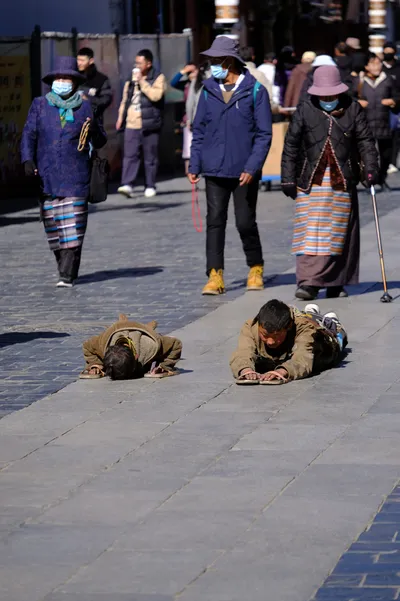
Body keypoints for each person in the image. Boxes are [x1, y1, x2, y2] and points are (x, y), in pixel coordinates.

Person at [281, 65, 379, 301]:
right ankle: (309, 282)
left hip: (341, 180)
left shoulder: (352, 108)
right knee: (310, 233)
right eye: (322, 95)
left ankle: (337, 281)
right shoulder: (305, 108)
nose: (327, 99)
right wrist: (287, 178)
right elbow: (291, 145)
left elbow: (365, 141)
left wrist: (371, 170)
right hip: (310, 180)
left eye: (331, 95)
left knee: (339, 233)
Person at [188, 36, 272, 295]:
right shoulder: (208, 90)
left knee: (245, 221)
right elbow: (198, 129)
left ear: (230, 62)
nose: (213, 66)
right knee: (215, 221)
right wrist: (195, 163)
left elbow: (263, 134)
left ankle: (255, 266)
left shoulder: (255, 91)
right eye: (211, 61)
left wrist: (252, 167)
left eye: (217, 61)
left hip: (244, 170)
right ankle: (215, 275)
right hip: (213, 167)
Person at [21, 56, 107, 288]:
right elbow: (29, 134)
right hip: (47, 176)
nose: (62, 82)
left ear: (74, 82)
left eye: (66, 78)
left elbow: (100, 139)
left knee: (74, 225)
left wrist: (94, 130)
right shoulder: (40, 105)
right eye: (58, 78)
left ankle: (66, 274)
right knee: (54, 226)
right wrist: (28, 159)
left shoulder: (86, 106)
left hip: (76, 175)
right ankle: (65, 265)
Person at [230, 299, 347, 384]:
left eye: (276, 336)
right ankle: (311, 312)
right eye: (265, 335)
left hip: (325, 343)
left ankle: (329, 320)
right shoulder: (251, 326)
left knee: (335, 335)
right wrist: (245, 369)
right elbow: (243, 352)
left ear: (289, 327)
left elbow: (303, 358)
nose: (270, 342)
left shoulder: (305, 329)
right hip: (283, 351)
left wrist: (284, 371)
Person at [117, 49, 167, 199]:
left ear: (148, 63)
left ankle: (150, 185)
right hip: (132, 122)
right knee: (130, 155)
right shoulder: (130, 78)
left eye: (140, 62)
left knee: (150, 156)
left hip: (150, 122)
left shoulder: (158, 77)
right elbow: (125, 99)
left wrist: (142, 81)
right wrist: (121, 117)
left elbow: (156, 95)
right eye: (135, 62)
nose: (136, 65)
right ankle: (127, 184)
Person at [80, 313, 182, 380]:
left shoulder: (150, 345)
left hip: (142, 331)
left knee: (155, 332)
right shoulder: (101, 344)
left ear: (136, 357)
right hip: (115, 330)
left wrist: (165, 366)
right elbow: (87, 346)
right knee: (120, 323)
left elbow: (175, 344)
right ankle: (122, 321)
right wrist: (95, 364)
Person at [354, 53, 399, 188]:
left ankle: (382, 178)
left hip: (384, 123)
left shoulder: (388, 80)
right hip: (365, 124)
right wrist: (357, 102)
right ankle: (370, 179)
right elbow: (349, 98)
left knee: (386, 155)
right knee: (368, 155)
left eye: (379, 63)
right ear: (367, 66)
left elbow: (397, 96)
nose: (377, 66)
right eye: (373, 63)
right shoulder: (359, 82)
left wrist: (393, 101)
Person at [170, 63, 206, 173]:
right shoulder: (186, 85)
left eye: (193, 71)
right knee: (189, 148)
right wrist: (183, 71)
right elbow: (173, 83)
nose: (192, 75)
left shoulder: (203, 83)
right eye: (189, 73)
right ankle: (190, 172)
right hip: (188, 120)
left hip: (202, 119)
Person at [76, 47, 112, 123]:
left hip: (93, 123)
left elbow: (106, 99)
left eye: (82, 60)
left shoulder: (101, 79)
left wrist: (89, 100)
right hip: (73, 120)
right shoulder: (74, 77)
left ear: (91, 61)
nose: (79, 63)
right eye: (78, 60)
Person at [240, 46, 279, 113]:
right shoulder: (259, 74)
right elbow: (268, 97)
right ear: (253, 57)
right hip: (255, 113)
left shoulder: (233, 73)